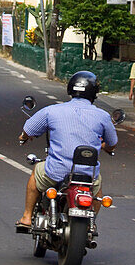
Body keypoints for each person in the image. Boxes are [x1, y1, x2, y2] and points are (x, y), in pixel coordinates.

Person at [16, 71, 118, 231]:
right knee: (97, 191)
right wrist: (105, 146)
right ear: (94, 93)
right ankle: (91, 225)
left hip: (56, 172)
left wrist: (24, 137)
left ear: (71, 89)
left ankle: (27, 217)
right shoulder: (103, 116)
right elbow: (112, 143)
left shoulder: (53, 111)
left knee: (36, 172)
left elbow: (29, 129)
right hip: (87, 176)